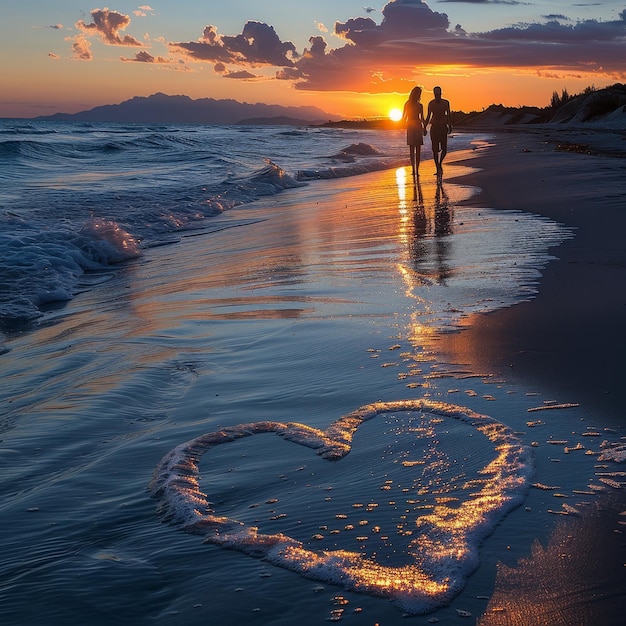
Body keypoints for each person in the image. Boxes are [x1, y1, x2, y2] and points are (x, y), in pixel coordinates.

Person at [425, 86, 452, 177]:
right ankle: (437, 168)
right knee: (435, 150)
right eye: (436, 94)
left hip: (443, 127)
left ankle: (440, 164)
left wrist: (450, 125)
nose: (437, 96)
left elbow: (448, 114)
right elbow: (428, 116)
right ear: (434, 94)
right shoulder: (431, 104)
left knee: (444, 149)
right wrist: (424, 127)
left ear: (441, 93)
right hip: (434, 128)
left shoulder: (446, 103)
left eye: (438, 94)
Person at [401, 86, 426, 179]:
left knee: (415, 149)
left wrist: (424, 127)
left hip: (414, 126)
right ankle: (415, 170)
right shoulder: (413, 105)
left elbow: (404, 117)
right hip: (413, 126)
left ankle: (415, 170)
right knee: (415, 149)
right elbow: (404, 117)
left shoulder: (416, 105)